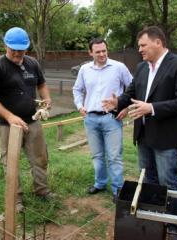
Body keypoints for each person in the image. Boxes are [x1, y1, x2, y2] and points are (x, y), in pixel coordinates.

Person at [102, 26, 177, 236]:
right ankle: (155, 219)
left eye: (143, 45)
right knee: (149, 179)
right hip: (144, 135)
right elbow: (131, 93)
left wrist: (152, 108)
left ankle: (173, 225)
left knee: (168, 181)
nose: (140, 50)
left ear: (158, 43)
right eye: (139, 46)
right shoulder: (143, 67)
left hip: (166, 136)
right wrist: (117, 102)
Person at [0, 27, 53, 212]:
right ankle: (16, 199)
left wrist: (46, 99)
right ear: (5, 45)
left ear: (26, 48)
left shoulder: (32, 63)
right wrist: (9, 116)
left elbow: (42, 84)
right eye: (13, 48)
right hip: (8, 125)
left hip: (32, 120)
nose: (17, 52)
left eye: (21, 49)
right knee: (10, 162)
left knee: (40, 158)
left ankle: (42, 191)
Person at [72, 38, 133, 202]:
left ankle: (118, 189)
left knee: (114, 156)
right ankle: (100, 183)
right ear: (90, 52)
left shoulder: (118, 67)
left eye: (104, 51)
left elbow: (133, 87)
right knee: (97, 155)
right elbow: (77, 89)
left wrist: (125, 107)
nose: (101, 54)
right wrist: (79, 106)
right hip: (90, 119)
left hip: (111, 118)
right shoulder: (84, 69)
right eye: (97, 51)